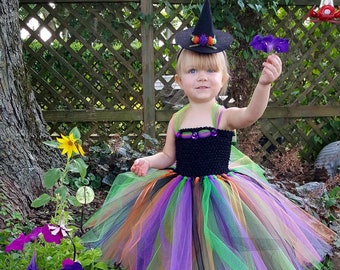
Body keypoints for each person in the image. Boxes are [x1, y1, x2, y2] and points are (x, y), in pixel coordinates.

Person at [82, 0, 336, 269]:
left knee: (224, 245)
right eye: (193, 71)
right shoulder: (177, 119)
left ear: (223, 78)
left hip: (220, 195)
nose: (202, 77)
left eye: (211, 70)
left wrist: (264, 84)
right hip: (179, 194)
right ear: (179, 80)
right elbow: (168, 155)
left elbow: (251, 114)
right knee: (183, 246)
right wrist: (148, 161)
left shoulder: (223, 116)